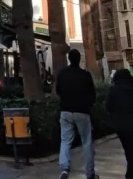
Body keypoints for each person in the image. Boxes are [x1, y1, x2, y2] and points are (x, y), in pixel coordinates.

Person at [55, 49, 97, 179]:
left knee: (65, 141)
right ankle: (90, 173)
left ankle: (64, 168)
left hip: (66, 111)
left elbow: (58, 91)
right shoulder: (85, 75)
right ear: (79, 59)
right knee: (87, 142)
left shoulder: (62, 74)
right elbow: (92, 94)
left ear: (69, 58)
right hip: (82, 112)